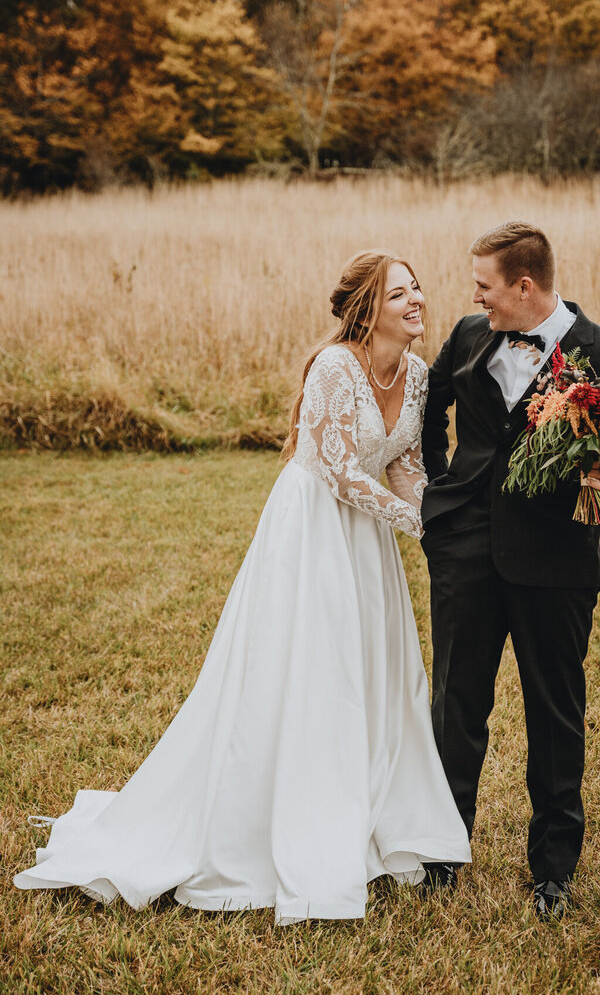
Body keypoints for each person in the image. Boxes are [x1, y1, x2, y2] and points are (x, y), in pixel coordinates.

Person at [15, 251, 470, 924]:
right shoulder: (334, 368)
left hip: (367, 541)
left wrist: (437, 517)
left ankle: (375, 816)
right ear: (369, 311)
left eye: (418, 288)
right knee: (312, 669)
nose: (418, 300)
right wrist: (415, 523)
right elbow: (340, 470)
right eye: (400, 293)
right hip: (315, 529)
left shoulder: (421, 373)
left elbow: (404, 461)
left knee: (371, 670)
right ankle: (280, 822)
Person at [419, 222, 600, 917]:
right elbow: (433, 413)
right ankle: (440, 850)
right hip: (464, 551)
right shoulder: (467, 336)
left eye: (485, 287)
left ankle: (552, 868)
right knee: (456, 707)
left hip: (556, 560)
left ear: (524, 286)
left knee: (556, 714)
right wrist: (439, 494)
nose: (475, 298)